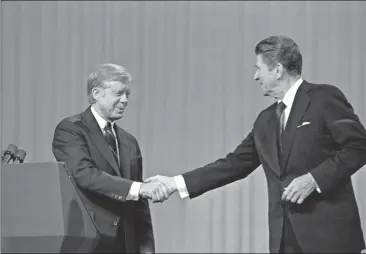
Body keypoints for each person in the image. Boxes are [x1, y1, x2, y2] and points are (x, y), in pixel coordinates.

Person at [143, 36, 366, 253]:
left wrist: (314, 179)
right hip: (284, 240)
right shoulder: (266, 120)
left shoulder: (324, 98)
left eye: (259, 68)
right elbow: (233, 164)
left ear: (277, 70)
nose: (255, 76)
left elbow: (359, 146)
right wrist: (174, 183)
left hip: (330, 239)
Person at [52, 63, 162, 253]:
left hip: (126, 245)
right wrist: (138, 188)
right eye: (119, 93)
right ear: (96, 93)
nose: (125, 100)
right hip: (89, 244)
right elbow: (84, 174)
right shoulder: (71, 130)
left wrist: (146, 249)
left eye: (127, 94)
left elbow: (140, 205)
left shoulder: (129, 142)